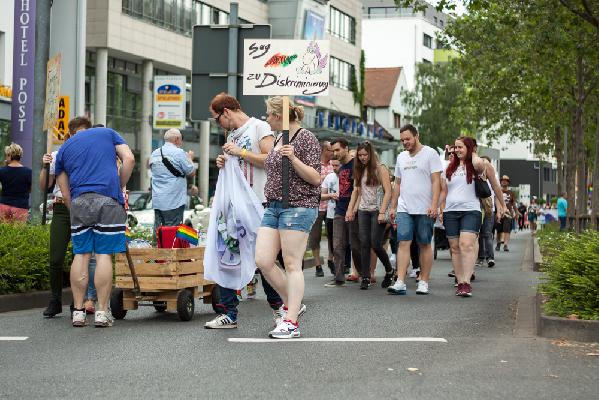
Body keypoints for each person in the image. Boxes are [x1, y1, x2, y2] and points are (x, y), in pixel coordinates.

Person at [204, 92, 287, 329]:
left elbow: (271, 160)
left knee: (263, 258)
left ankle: (280, 308)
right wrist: (223, 161)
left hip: (257, 201)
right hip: (233, 205)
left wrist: (239, 153)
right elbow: (236, 162)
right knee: (228, 255)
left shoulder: (260, 127)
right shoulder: (231, 134)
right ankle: (229, 312)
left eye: (216, 119)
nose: (218, 124)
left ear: (226, 112)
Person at [55, 122, 135, 327]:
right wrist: (120, 185)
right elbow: (129, 158)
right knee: (103, 254)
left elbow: (64, 192)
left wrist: (74, 206)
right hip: (108, 200)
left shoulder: (65, 147)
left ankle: (78, 311)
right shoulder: (108, 133)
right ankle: (101, 311)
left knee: (81, 254)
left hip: (79, 202)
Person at [254, 96, 321, 339]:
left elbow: (315, 177)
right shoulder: (279, 138)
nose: (266, 118)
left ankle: (291, 320)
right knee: (263, 260)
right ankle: (292, 303)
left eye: (269, 114)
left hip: (298, 206)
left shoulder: (305, 138)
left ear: (279, 116)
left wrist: (293, 158)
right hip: (273, 206)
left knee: (292, 263)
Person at [40, 117, 100, 317]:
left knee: (81, 257)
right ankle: (55, 299)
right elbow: (45, 186)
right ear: (70, 135)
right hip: (61, 210)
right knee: (56, 258)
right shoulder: (59, 154)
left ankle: (79, 301)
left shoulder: (92, 155)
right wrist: (44, 166)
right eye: (78, 135)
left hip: (83, 207)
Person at [440, 136, 503, 297]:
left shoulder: (478, 164)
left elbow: (494, 185)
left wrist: (501, 205)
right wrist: (436, 207)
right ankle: (460, 282)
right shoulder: (449, 166)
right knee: (454, 248)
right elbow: (443, 191)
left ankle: (467, 282)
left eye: (461, 147)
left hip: (471, 210)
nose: (457, 150)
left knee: (466, 245)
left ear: (469, 148)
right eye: (456, 147)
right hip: (450, 212)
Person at [387, 124, 443, 296]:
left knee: (424, 243)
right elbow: (397, 183)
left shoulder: (430, 154)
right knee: (403, 242)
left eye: (408, 139)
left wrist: (434, 205)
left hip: (424, 208)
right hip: (405, 207)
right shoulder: (401, 157)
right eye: (402, 140)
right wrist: (394, 206)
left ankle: (424, 281)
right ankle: (400, 282)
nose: (405, 143)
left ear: (417, 136)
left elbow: (436, 182)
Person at [346, 141, 394, 289]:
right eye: (360, 155)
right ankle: (365, 277)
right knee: (364, 243)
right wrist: (350, 210)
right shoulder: (359, 169)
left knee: (375, 243)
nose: (362, 157)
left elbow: (388, 191)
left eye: (365, 154)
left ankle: (389, 270)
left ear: (371, 154)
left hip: (376, 210)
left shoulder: (380, 168)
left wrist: (382, 212)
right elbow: (356, 191)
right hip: (363, 210)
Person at [325, 138, 362, 288]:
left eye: (337, 150)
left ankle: (363, 274)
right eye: (333, 151)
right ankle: (339, 277)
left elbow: (358, 190)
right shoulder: (341, 168)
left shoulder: (356, 165)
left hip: (354, 210)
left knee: (355, 245)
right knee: (337, 244)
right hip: (339, 209)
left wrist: (352, 209)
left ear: (346, 148)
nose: (335, 153)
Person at [150, 128, 196, 232]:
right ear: (176, 139)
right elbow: (191, 172)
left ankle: (157, 248)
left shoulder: (155, 153)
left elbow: (151, 168)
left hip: (158, 201)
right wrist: (190, 159)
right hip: (174, 201)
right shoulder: (179, 153)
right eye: (181, 139)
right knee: (172, 233)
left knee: (159, 232)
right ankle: (169, 248)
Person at [307, 141, 334, 277]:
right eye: (330, 150)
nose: (333, 152)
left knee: (332, 235)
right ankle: (318, 265)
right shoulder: (315, 165)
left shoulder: (334, 166)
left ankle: (330, 259)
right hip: (317, 205)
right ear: (323, 150)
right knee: (315, 236)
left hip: (331, 206)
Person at [475, 155, 506, 269]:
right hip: (477, 208)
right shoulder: (476, 176)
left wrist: (499, 211)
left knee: (487, 234)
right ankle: (481, 257)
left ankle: (490, 257)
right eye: (483, 163)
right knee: (478, 234)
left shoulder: (493, 177)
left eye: (487, 163)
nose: (485, 165)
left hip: (489, 209)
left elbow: (497, 195)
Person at [0, 143, 31, 223]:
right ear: (20, 156)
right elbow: (31, 189)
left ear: (9, 155)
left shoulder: (2, 170)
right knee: (18, 234)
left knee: (4, 233)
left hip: (4, 205)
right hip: (20, 206)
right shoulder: (28, 172)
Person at [320, 159, 341, 275]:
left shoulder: (347, 176)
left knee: (343, 241)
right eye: (333, 165)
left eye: (337, 165)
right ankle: (333, 262)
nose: (334, 168)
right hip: (331, 213)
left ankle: (343, 265)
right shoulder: (329, 177)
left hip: (343, 213)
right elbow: (321, 195)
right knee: (332, 241)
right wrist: (330, 195)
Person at [495, 175, 516, 252]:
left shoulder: (511, 193)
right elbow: (495, 201)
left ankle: (506, 245)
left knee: (507, 229)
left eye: (506, 180)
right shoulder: (497, 191)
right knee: (499, 230)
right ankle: (498, 243)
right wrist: (498, 211)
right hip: (499, 213)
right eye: (502, 180)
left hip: (508, 213)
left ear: (508, 182)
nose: (504, 181)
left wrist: (516, 212)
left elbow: (513, 203)